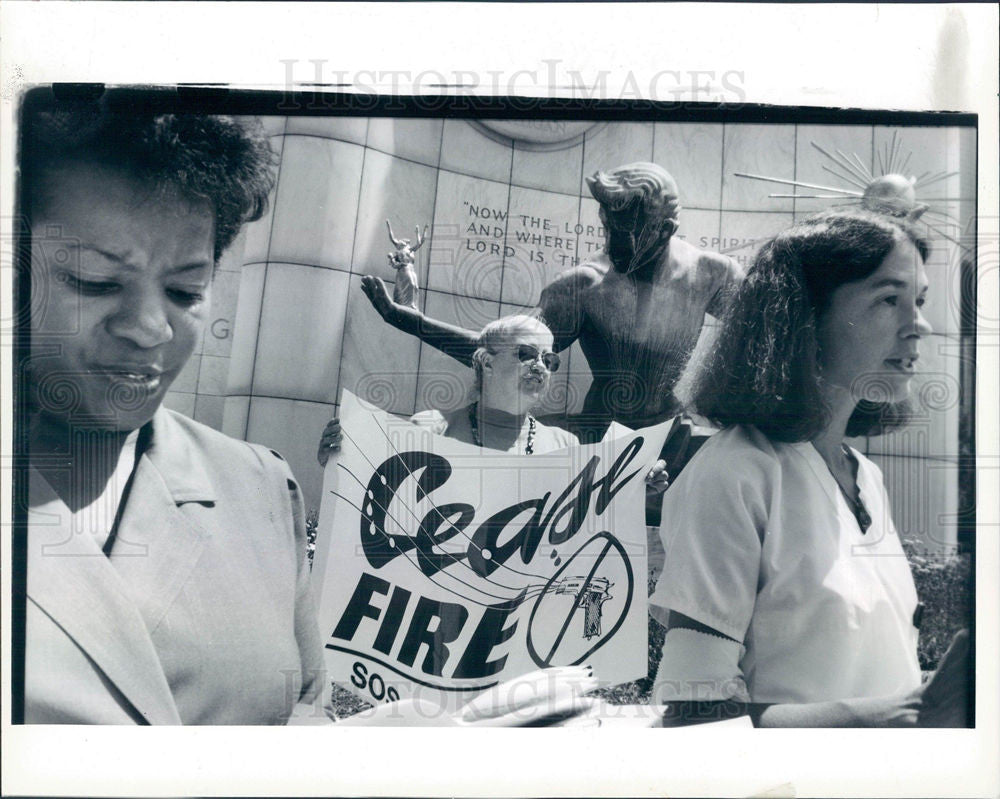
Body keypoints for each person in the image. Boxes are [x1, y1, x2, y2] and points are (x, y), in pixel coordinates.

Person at [19, 101, 594, 727]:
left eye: (186, 291)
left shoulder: (261, 490)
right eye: (95, 280)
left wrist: (386, 743)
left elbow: (296, 719)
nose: (151, 327)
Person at [648, 209, 970, 727]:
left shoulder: (866, 476)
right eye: (890, 300)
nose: (920, 326)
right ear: (805, 317)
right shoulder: (735, 474)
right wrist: (888, 718)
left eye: (921, 301)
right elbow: (693, 713)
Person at [360, 162, 743, 442]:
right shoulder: (585, 285)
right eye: (608, 229)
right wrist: (408, 320)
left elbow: (768, 339)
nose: (612, 244)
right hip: (600, 435)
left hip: (669, 431)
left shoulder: (712, 275)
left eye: (625, 234)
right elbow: (499, 352)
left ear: (665, 230)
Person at [319, 314, 670, 497]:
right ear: (486, 363)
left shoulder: (565, 447)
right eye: (527, 354)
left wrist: (636, 487)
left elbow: (586, 524)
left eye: (550, 360)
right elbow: (375, 499)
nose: (541, 367)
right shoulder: (429, 429)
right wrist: (338, 458)